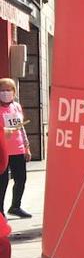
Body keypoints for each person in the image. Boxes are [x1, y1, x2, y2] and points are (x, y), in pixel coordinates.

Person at [0, 78, 31, 218]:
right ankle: (0, 211)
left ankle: (15, 206)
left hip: (18, 149)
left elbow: (21, 128)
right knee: (2, 181)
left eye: (8, 90)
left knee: (21, 178)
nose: (5, 93)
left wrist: (26, 146)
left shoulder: (16, 106)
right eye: (2, 90)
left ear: (14, 92)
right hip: (2, 150)